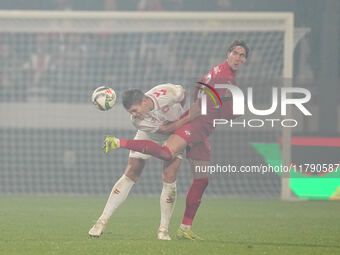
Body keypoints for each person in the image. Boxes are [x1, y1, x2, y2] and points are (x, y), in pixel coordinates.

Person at [104, 40, 249, 240]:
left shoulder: (225, 74)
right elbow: (200, 105)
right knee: (166, 154)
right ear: (228, 53)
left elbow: (200, 95)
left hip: (203, 130)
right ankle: (120, 142)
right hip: (195, 125)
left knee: (201, 179)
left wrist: (229, 111)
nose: (238, 57)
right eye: (235, 53)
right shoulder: (222, 76)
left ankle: (185, 229)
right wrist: (176, 125)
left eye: (242, 55)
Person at [89, 83, 187, 240]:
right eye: (130, 112)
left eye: (134, 110)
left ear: (145, 101)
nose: (134, 115)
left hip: (175, 135)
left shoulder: (167, 92)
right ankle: (102, 221)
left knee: (170, 175)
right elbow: (163, 131)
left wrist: (181, 114)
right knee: (132, 171)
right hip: (155, 133)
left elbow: (183, 93)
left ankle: (163, 230)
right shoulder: (137, 121)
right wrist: (184, 120)